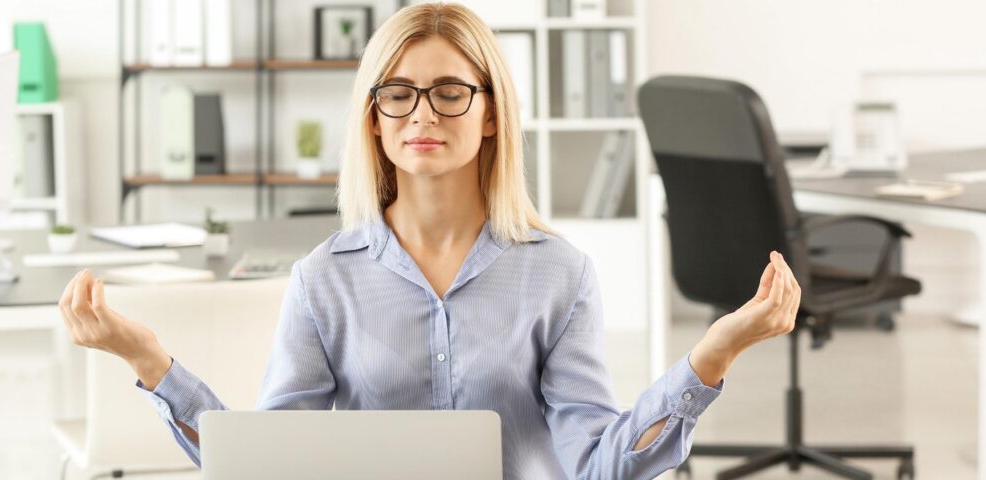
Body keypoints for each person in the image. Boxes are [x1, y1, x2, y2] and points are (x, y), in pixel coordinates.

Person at [58, 3, 800, 479]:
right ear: (374, 119)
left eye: (450, 91)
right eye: (398, 93)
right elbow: (268, 468)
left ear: (488, 115)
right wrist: (146, 359)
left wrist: (712, 356)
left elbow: (600, 468)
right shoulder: (325, 281)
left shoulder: (560, 276)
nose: (424, 114)